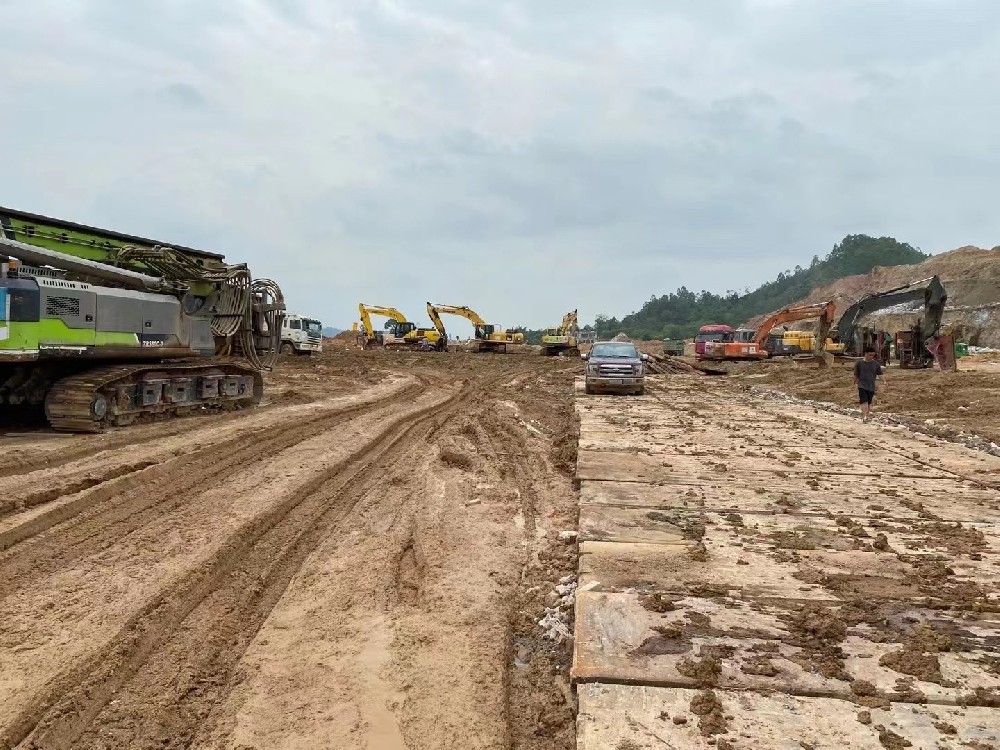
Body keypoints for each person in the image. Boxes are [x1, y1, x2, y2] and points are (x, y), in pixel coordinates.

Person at [853, 346, 886, 423]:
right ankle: (864, 416)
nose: (872, 357)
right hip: (862, 385)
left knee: (869, 402)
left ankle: (867, 416)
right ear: (866, 354)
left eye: (873, 355)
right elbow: (856, 374)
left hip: (871, 386)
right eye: (870, 355)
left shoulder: (876, 364)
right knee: (864, 401)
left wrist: (884, 381)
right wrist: (854, 383)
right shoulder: (859, 364)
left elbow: (880, 374)